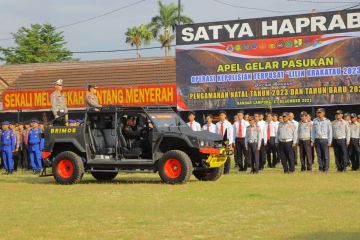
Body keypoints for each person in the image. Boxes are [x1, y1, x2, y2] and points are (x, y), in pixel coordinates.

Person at [311, 108, 332, 172]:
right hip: (317, 139)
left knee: (325, 155)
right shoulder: (315, 120)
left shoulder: (327, 121)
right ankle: (321, 167)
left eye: (320, 112)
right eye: (318, 112)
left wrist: (330, 141)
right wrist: (312, 140)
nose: (318, 114)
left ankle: (326, 168)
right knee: (319, 155)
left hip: (324, 139)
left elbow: (330, 131)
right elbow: (313, 131)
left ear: (323, 113)